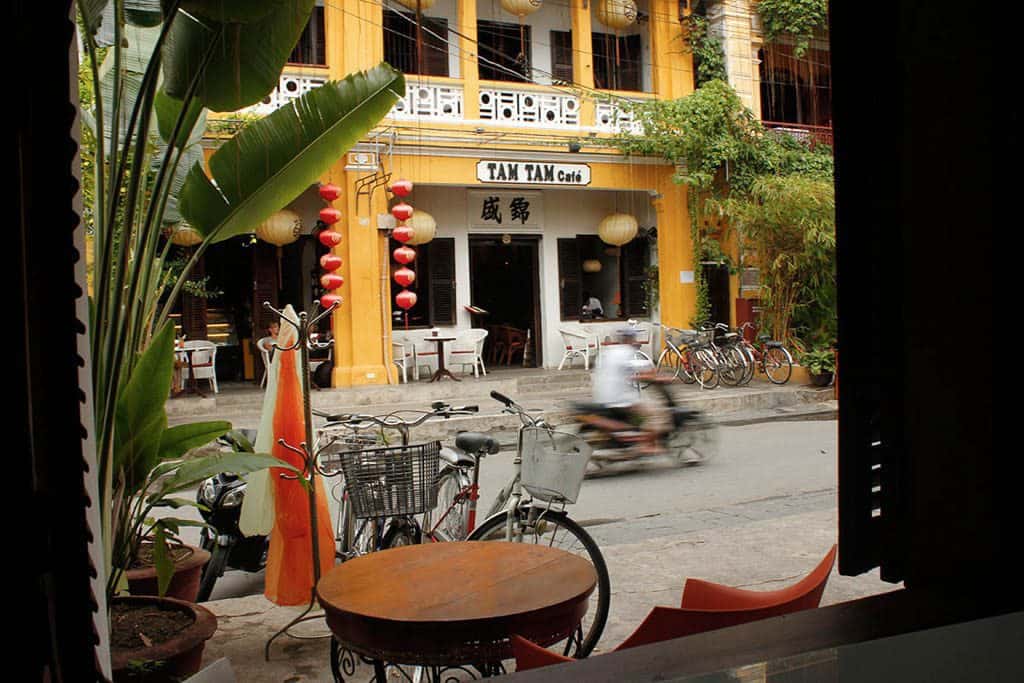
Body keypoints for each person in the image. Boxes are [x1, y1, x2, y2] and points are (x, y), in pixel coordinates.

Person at [591, 327, 669, 455]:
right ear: (630, 340)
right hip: (620, 399)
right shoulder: (627, 352)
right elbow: (647, 371)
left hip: (600, 397)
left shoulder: (608, 351)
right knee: (658, 414)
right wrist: (661, 378)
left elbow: (621, 371)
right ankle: (646, 444)